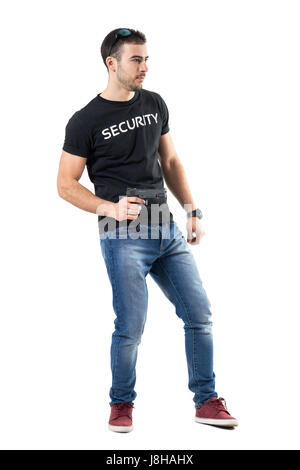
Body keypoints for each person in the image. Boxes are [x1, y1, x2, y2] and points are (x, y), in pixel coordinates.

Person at [57, 27, 238, 432]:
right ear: (112, 63)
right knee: (131, 325)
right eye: (136, 59)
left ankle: (206, 400)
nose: (145, 67)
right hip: (121, 234)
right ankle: (121, 405)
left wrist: (192, 209)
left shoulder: (155, 103)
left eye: (146, 59)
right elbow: (65, 184)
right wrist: (107, 206)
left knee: (199, 313)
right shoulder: (85, 120)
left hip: (166, 229)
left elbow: (170, 162)